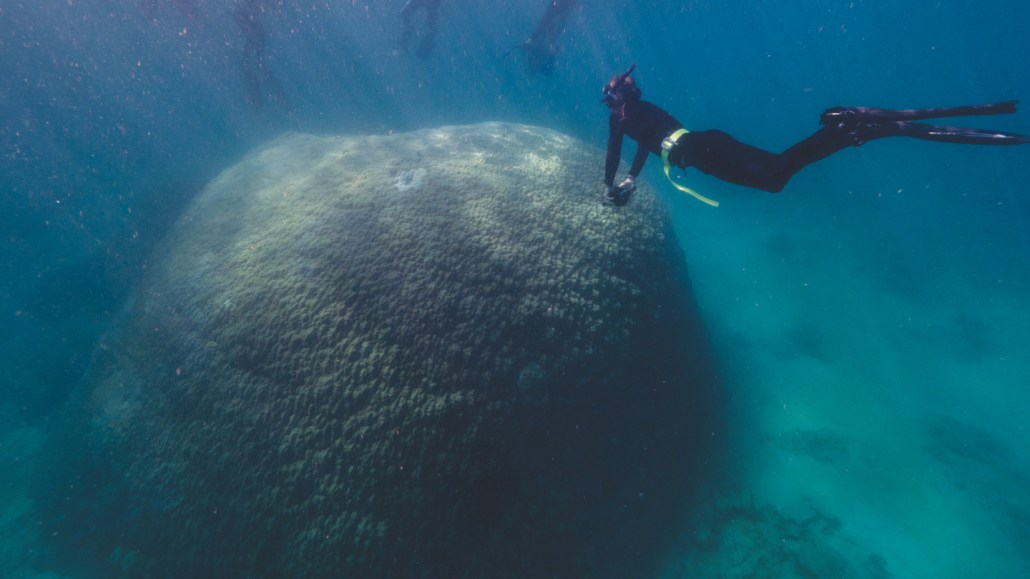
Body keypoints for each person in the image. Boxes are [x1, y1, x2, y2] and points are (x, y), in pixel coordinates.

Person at [602, 65, 1030, 207]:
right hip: (701, 139)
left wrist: (608, 187)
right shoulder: (641, 110)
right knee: (777, 171)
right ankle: (853, 129)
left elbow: (616, 152)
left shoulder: (619, 118)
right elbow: (644, 144)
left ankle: (854, 128)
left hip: (695, 149)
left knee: (775, 178)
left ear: (612, 100)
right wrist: (633, 178)